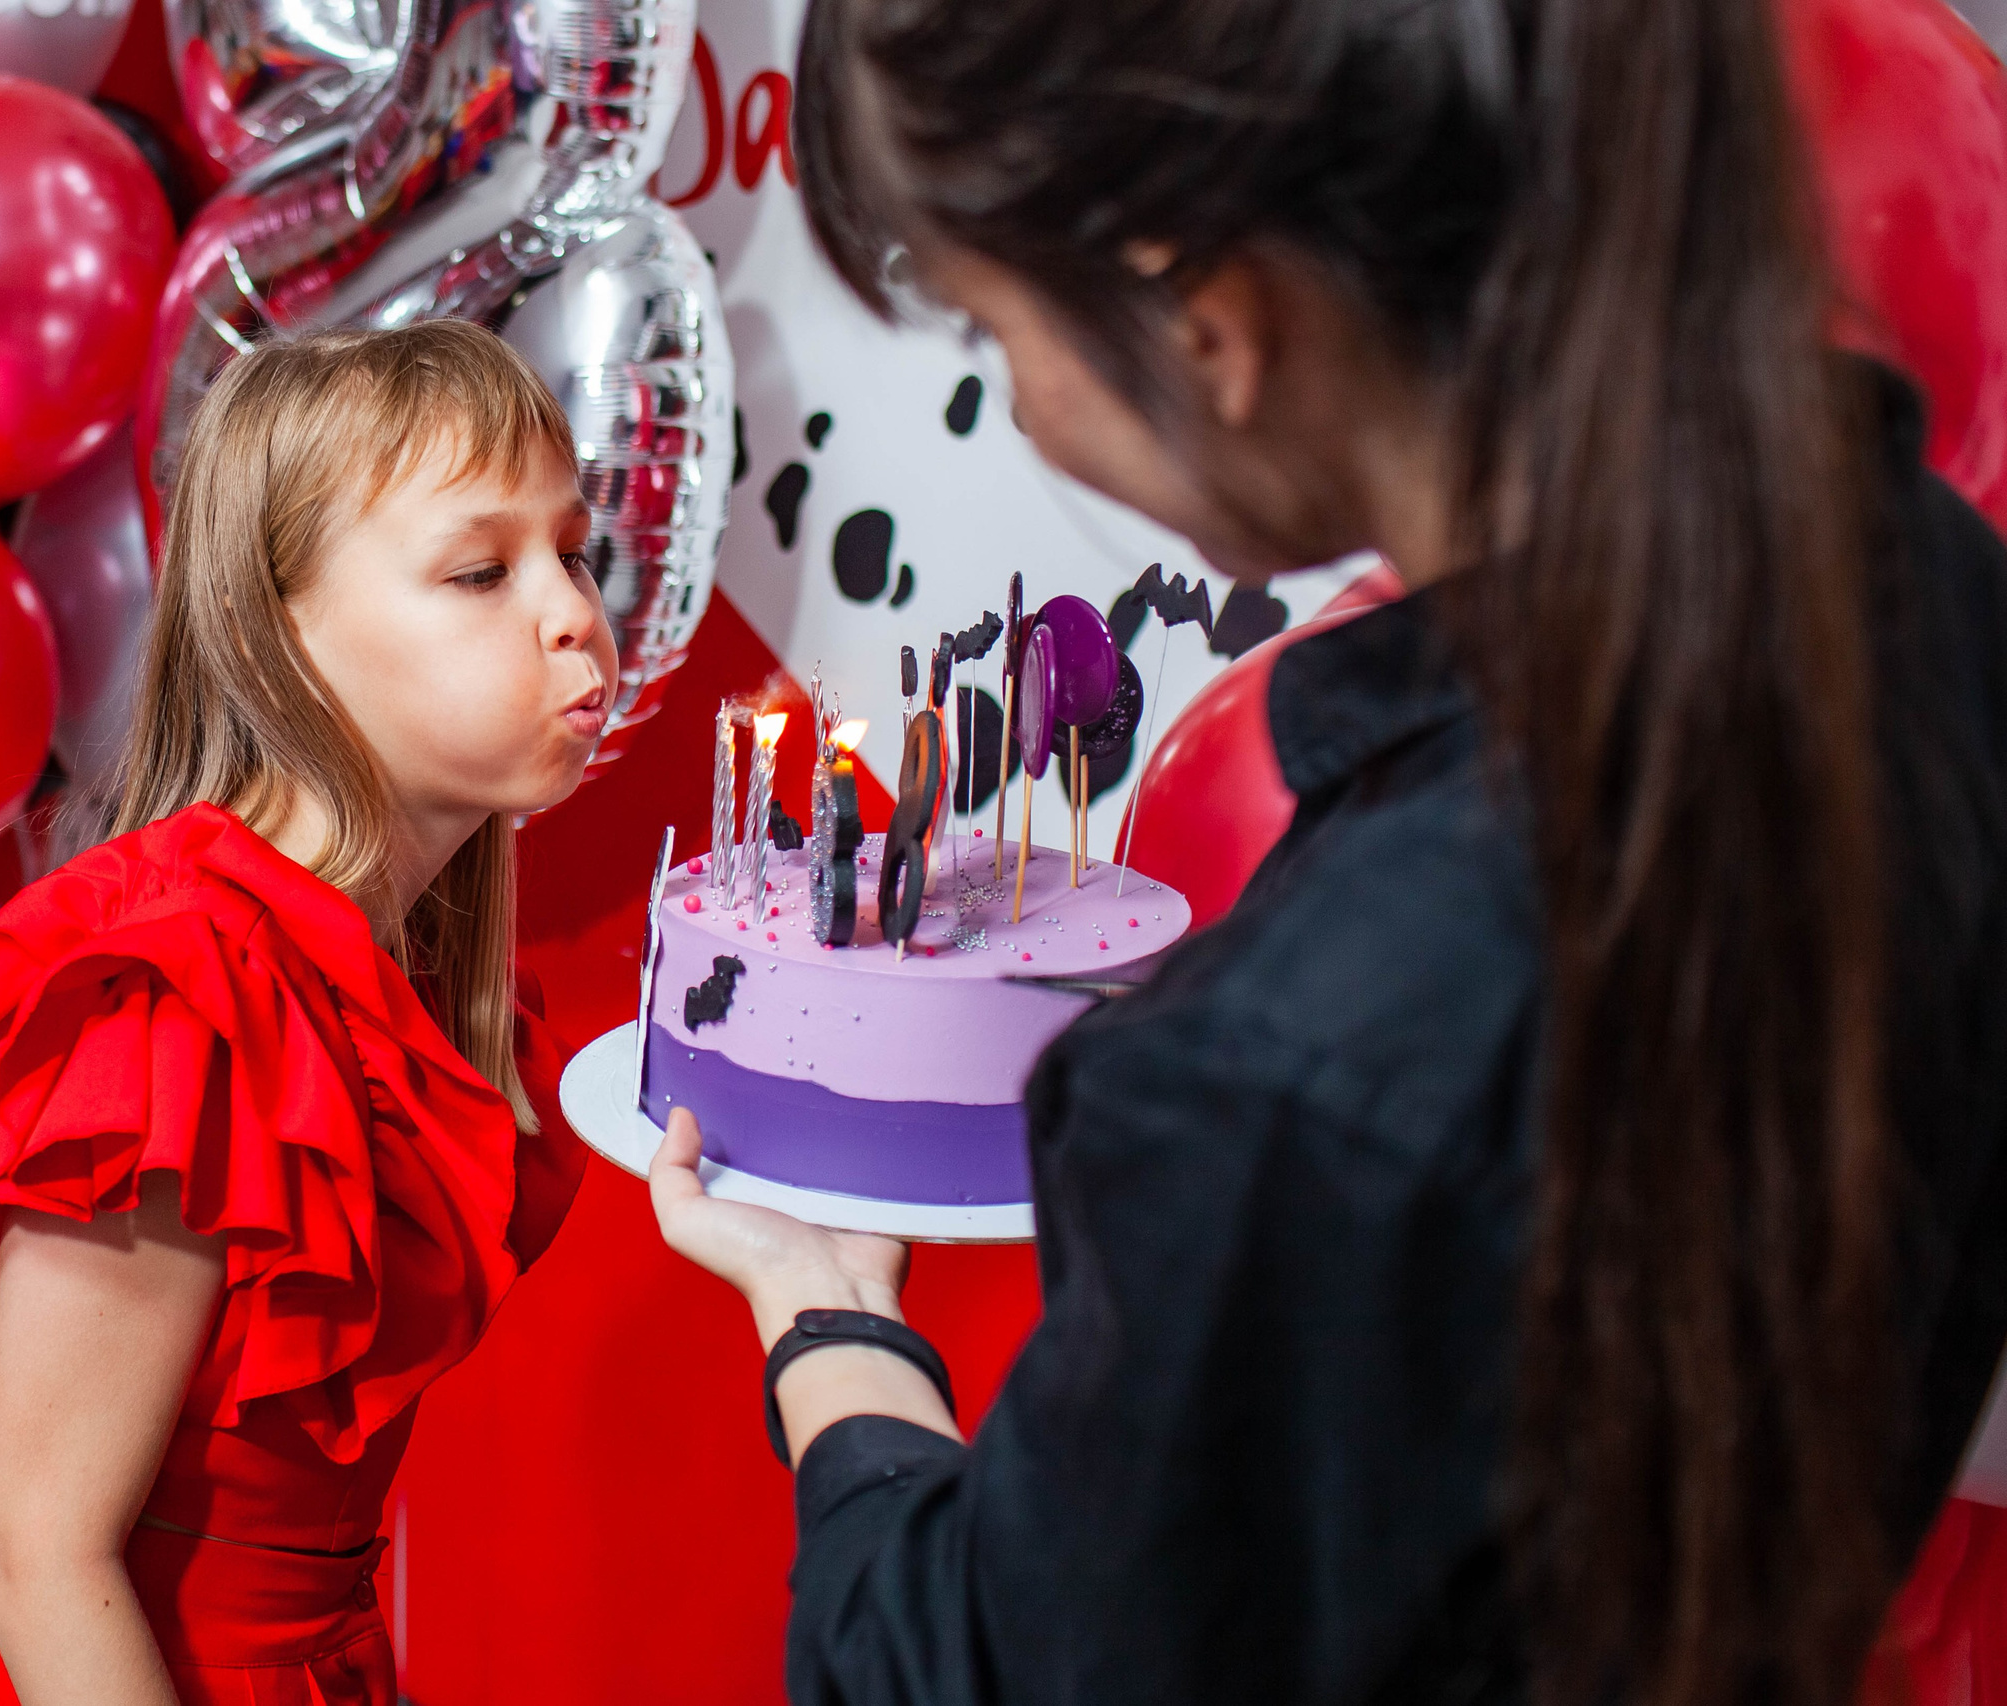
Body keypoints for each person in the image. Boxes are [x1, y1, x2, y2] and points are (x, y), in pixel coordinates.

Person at [648, 1, 2007, 1703]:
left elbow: (956, 1668)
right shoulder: (1938, 603)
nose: (1020, 404)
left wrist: (831, 1330)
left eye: (993, 337)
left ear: (1207, 319)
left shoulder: (1291, 1072)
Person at [0, 321, 606, 1706]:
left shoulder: (433, 975)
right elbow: (42, 1551)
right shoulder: (170, 1001)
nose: (572, 609)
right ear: (283, 635)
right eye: (479, 570)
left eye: (576, 553)